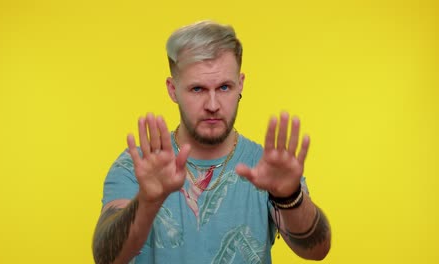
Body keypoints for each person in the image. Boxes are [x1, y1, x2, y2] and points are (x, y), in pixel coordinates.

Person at [92, 20, 331, 264]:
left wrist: (288, 197)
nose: (213, 105)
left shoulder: (266, 167)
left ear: (241, 84)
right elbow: (105, 258)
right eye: (197, 89)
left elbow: (317, 251)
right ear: (172, 89)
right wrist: (147, 202)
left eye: (225, 87)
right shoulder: (136, 167)